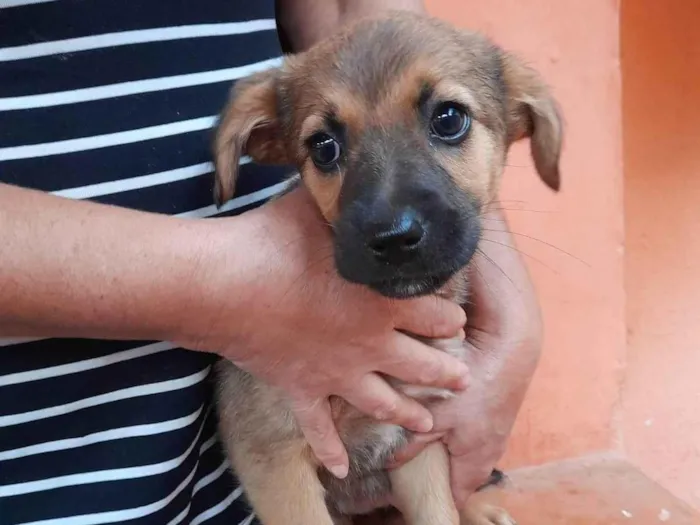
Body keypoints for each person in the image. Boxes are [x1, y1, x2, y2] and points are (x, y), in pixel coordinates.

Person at [0, 0, 542, 523]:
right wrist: (227, 289)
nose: (394, 223)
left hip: (218, 486)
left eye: (448, 120)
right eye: (326, 148)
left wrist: (512, 322)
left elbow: (351, 10)